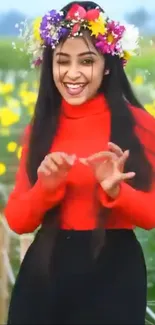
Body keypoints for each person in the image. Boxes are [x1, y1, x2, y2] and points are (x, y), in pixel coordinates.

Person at [5, 1, 155, 324]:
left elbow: (151, 215)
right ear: (50, 65)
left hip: (115, 277)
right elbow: (17, 220)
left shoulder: (141, 125)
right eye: (62, 61)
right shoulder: (41, 128)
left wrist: (117, 192)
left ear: (108, 65)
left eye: (86, 61)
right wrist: (45, 188)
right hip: (45, 276)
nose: (72, 74)